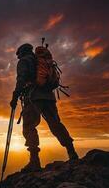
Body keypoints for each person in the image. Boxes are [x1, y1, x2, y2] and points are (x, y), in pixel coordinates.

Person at [10, 43, 78, 172]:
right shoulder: (42, 61)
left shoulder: (24, 61)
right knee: (56, 124)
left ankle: (34, 161)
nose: (18, 57)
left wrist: (14, 97)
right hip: (49, 97)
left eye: (18, 55)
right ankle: (72, 152)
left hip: (33, 97)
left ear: (21, 53)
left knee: (29, 127)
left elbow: (21, 79)